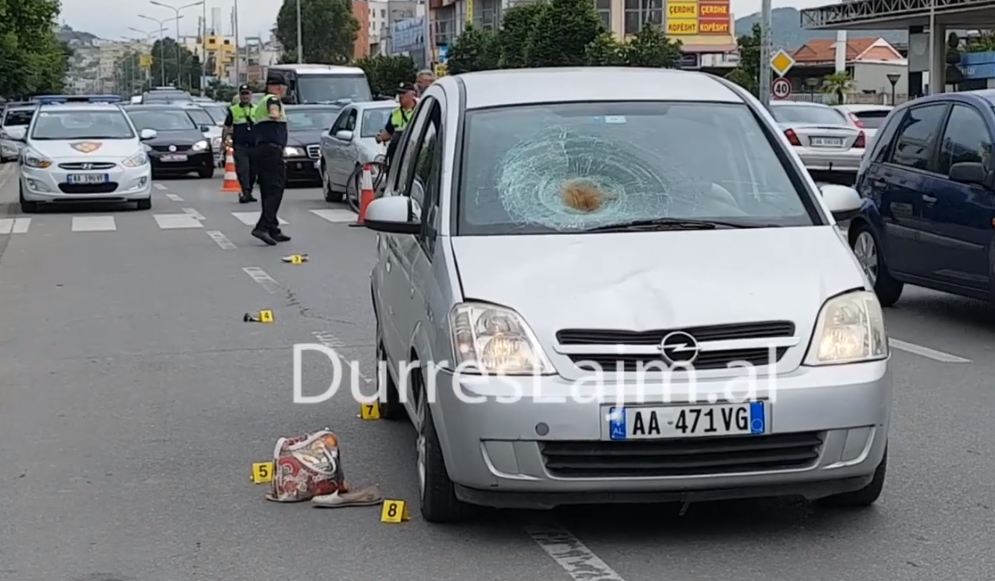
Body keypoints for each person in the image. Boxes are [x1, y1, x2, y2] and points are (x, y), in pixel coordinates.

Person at [249, 73, 291, 246]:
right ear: (279, 87)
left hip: (262, 150)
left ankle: (273, 227)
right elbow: (274, 113)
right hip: (272, 151)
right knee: (276, 189)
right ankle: (263, 226)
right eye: (284, 88)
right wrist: (276, 112)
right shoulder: (273, 99)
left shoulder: (260, 103)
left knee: (267, 189)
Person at [223, 85, 257, 204]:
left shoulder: (257, 109)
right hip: (240, 145)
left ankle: (249, 191)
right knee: (243, 170)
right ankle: (245, 192)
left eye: (247, 94)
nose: (245, 96)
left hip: (254, 145)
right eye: (243, 94)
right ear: (239, 96)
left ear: (251, 95)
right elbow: (227, 126)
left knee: (253, 171)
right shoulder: (233, 110)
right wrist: (224, 141)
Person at [377, 84, 417, 167]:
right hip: (396, 152)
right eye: (399, 93)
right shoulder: (395, 113)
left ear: (412, 95)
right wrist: (380, 137)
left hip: (413, 151)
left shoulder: (419, 110)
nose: (400, 96)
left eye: (403, 93)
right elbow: (388, 132)